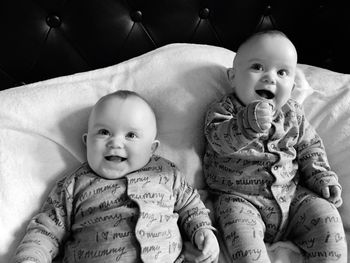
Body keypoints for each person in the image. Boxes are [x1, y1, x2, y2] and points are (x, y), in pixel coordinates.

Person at [13, 90, 220, 263]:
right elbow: (46, 229)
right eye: (104, 132)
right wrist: (31, 257)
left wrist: (202, 230)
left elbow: (190, 205)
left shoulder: (166, 174)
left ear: (152, 149)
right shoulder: (74, 185)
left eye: (131, 135)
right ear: (87, 142)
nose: (115, 142)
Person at [203, 30, 347, 263]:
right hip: (239, 201)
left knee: (327, 219)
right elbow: (219, 141)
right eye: (257, 67)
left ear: (291, 84)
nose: (270, 78)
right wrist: (246, 125)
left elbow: (310, 147)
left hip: (291, 196)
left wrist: (322, 178)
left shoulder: (293, 113)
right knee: (244, 245)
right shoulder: (223, 110)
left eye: (282, 72)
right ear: (232, 76)